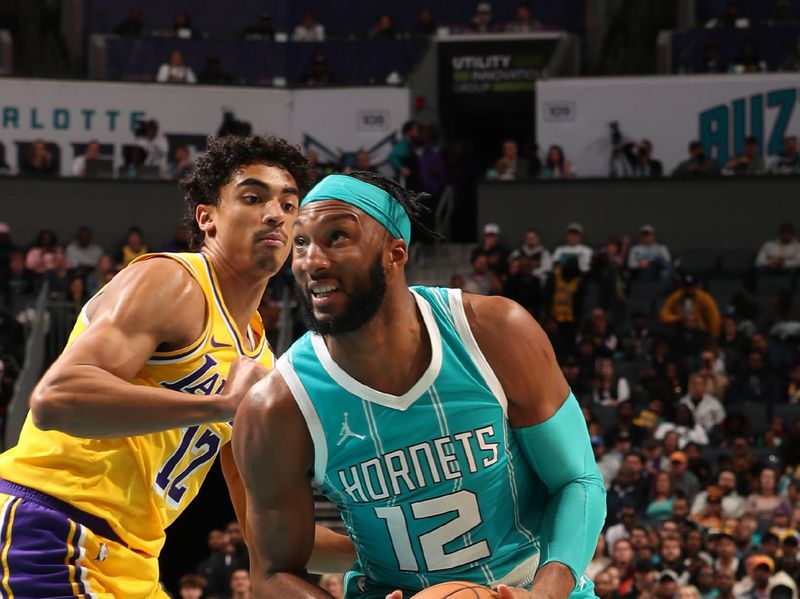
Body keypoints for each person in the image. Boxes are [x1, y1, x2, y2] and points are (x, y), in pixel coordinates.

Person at [0, 135, 353, 596]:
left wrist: (380, 551)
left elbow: (261, 530)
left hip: (133, 561)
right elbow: (56, 400)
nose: (276, 214)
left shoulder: (257, 355)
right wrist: (222, 404)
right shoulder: (173, 281)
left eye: (289, 205)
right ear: (207, 217)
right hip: (51, 525)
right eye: (253, 197)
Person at [233, 171, 606, 598]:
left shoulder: (495, 332)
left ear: (395, 252)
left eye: (337, 237)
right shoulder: (277, 406)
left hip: (529, 583)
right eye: (301, 242)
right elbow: (273, 571)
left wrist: (546, 593)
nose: (312, 262)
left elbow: (577, 481)